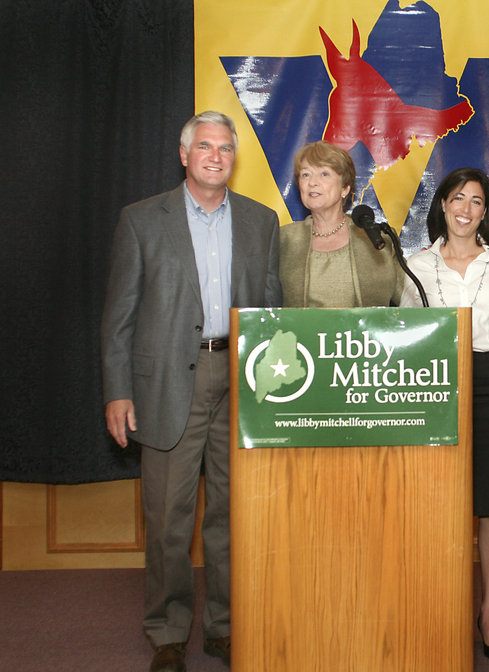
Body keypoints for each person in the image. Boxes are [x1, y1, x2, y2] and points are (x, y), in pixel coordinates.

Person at [100, 110, 281, 672]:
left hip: (241, 380)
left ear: (234, 158)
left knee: (233, 515)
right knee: (169, 518)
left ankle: (225, 627)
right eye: (204, 146)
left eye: (225, 148)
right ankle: (167, 631)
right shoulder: (141, 220)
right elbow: (118, 316)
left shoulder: (261, 221)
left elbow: (271, 310)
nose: (215, 156)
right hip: (164, 386)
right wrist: (117, 391)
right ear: (184, 155)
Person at [400, 167, 489, 664]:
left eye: (476, 201)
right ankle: (444, 609)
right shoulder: (415, 264)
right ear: (441, 205)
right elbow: (403, 332)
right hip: (434, 383)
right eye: (457, 198)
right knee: (440, 504)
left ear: (486, 211)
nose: (465, 208)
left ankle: (487, 613)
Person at [279, 140, 405, 307]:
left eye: (324, 174)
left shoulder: (377, 239)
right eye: (305, 174)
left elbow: (410, 302)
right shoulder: (282, 240)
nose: (312, 182)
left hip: (365, 333)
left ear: (345, 188)